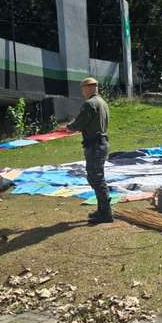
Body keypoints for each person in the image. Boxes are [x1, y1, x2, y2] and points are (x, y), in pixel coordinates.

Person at [64, 77, 112, 224]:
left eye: (83, 88)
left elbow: (80, 123)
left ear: (89, 88)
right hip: (101, 143)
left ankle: (105, 213)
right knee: (97, 177)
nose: (82, 91)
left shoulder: (90, 104)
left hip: (95, 145)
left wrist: (68, 128)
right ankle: (102, 210)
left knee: (96, 178)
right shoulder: (102, 102)